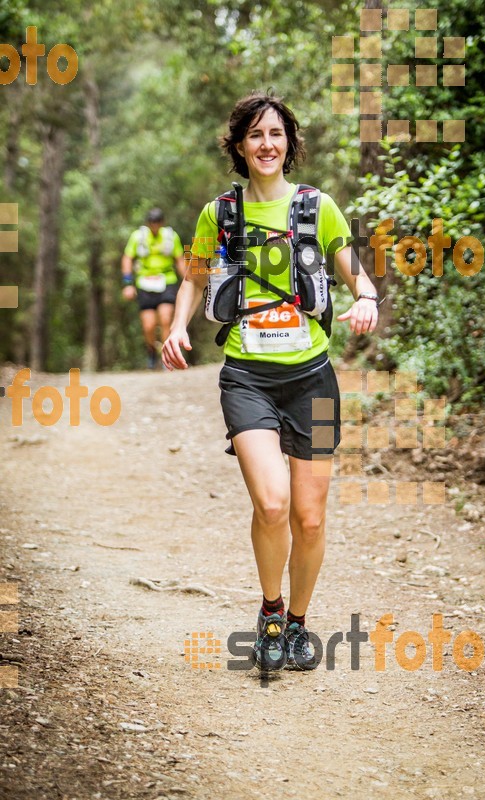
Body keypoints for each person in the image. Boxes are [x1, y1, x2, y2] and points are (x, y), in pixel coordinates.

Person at [162, 91, 379, 672]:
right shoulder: (219, 215)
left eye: (276, 134)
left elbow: (354, 268)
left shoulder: (318, 207)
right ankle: (272, 613)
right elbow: (194, 278)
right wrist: (178, 327)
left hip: (315, 379)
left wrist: (367, 297)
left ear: (290, 144)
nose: (266, 144)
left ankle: (300, 626)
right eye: (255, 135)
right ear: (238, 146)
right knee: (273, 502)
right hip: (246, 378)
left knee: (311, 516)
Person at [122, 208, 186, 369]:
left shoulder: (171, 237)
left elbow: (179, 259)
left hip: (166, 281)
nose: (155, 226)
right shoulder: (138, 237)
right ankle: (151, 350)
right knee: (148, 325)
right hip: (145, 283)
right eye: (152, 223)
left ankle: (166, 357)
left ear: (162, 223)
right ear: (148, 223)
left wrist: (188, 282)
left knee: (165, 319)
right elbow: (127, 258)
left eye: (157, 223)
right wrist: (128, 284)